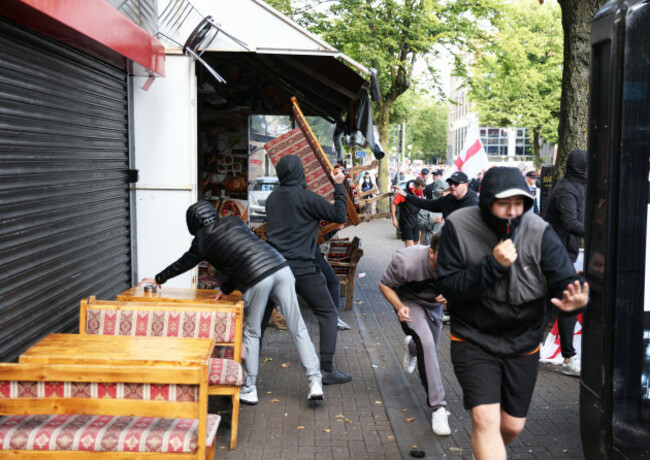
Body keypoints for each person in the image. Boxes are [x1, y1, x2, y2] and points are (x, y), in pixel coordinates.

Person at [436, 167, 589, 459]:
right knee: (485, 420)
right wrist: (493, 264)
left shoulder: (538, 229)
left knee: (512, 426)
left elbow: (565, 280)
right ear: (487, 202)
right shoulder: (458, 225)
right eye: (503, 203)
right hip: (474, 338)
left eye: (518, 203)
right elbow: (448, 286)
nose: (511, 211)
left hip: (523, 341)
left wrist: (576, 300)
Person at [140, 202, 324, 405]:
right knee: (298, 327)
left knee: (253, 333)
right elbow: (244, 255)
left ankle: (249, 389)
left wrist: (158, 279)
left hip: (257, 279)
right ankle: (315, 382)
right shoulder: (235, 221)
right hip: (280, 267)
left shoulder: (202, 240)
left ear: (193, 223)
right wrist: (225, 290)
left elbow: (184, 263)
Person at [265, 155, 352, 385]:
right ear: (300, 173)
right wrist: (339, 185)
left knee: (260, 319)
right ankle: (327, 369)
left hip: (274, 268)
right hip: (302, 268)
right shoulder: (307, 198)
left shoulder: (272, 198)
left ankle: (244, 363)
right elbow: (340, 216)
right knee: (327, 312)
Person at [379, 233, 451, 436]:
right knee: (426, 345)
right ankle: (439, 407)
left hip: (435, 307)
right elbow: (384, 284)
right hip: (410, 302)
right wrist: (399, 306)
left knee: (429, 352)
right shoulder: (406, 261)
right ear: (431, 252)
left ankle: (412, 347)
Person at [545, 149, 587, 377]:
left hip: (565, 254)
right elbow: (572, 222)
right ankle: (569, 357)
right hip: (557, 255)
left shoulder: (576, 186)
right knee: (565, 303)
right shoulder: (566, 191)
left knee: (552, 303)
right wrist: (601, 230)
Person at [394, 171, 478, 220]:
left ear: (466, 185)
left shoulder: (473, 203)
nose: (452, 186)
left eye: (456, 183)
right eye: (450, 183)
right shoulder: (448, 199)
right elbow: (426, 204)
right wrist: (406, 195)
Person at [391, 176, 426, 247]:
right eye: (419, 189)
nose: (421, 191)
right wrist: (394, 219)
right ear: (415, 186)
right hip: (406, 223)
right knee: (410, 247)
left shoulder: (421, 194)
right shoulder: (403, 193)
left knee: (415, 246)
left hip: (415, 223)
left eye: (422, 189)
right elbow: (393, 204)